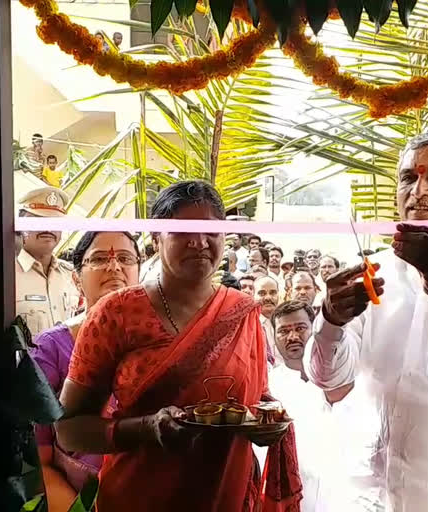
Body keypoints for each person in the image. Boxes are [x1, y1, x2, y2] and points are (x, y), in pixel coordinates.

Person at [55, 180, 301, 511]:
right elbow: (69, 430)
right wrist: (145, 429)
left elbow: (252, 401)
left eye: (211, 232)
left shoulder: (242, 313)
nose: (199, 242)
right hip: (138, 498)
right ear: (157, 239)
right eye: (183, 231)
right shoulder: (116, 313)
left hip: (225, 496)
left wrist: (266, 425)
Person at [304, 132, 428, 511]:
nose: (419, 191)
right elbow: (329, 379)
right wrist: (330, 320)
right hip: (361, 495)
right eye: (409, 178)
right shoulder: (367, 274)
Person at [31, 231, 141, 510]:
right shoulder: (52, 347)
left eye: (126, 258)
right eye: (100, 258)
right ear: (76, 278)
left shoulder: (163, 345)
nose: (114, 267)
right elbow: (38, 461)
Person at [268, 301, 359, 512]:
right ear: (273, 337)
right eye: (283, 331)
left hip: (341, 492)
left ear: (314, 329)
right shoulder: (268, 386)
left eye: (300, 328)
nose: (292, 337)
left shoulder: (342, 376)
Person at [16, 187, 80, 336]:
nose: (48, 228)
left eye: (55, 222)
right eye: (39, 220)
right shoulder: (8, 276)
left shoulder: (71, 275)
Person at [254, 276, 280, 367]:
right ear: (253, 296)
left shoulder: (287, 322)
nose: (268, 297)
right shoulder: (249, 325)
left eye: (273, 293)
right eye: (262, 293)